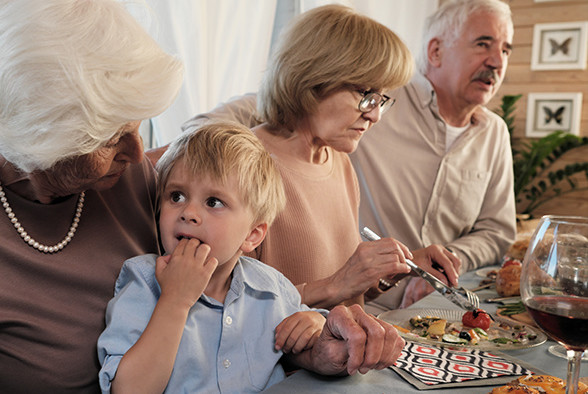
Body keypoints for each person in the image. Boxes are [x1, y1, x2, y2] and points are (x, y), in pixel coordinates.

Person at [0, 1, 410, 392]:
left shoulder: (137, 182)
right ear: (38, 140)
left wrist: (311, 347)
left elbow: (231, 326)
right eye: (112, 135)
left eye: (136, 125)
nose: (138, 151)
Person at [171, 0, 515, 313]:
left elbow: (347, 295)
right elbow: (222, 308)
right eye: (366, 94)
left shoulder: (339, 162)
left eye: (381, 98)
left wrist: (390, 270)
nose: (375, 115)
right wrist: (338, 285)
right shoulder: (247, 168)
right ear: (312, 79)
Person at [97, 122, 404, 393]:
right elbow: (129, 389)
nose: (188, 213)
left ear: (252, 235)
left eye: (213, 202)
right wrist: (175, 300)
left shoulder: (269, 287)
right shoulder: (142, 281)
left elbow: (307, 347)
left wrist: (312, 322)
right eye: (176, 196)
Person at [352, 0, 516, 312]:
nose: (497, 61)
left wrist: (445, 262)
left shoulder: (494, 132)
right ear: (436, 52)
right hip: (358, 309)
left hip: (442, 313)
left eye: (506, 50)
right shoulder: (379, 101)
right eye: (484, 44)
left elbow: (497, 232)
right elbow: (280, 102)